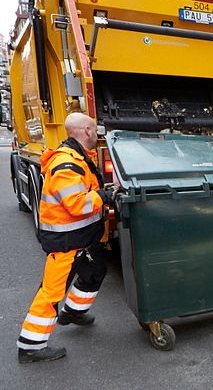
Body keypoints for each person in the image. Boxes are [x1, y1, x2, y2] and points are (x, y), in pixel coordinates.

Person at [17, 113, 116, 363]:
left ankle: (73, 312)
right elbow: (77, 205)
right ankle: (30, 346)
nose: (97, 134)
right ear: (85, 130)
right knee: (51, 292)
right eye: (94, 130)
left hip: (80, 238)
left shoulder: (79, 157)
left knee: (95, 271)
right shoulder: (66, 164)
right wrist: (105, 196)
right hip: (66, 242)